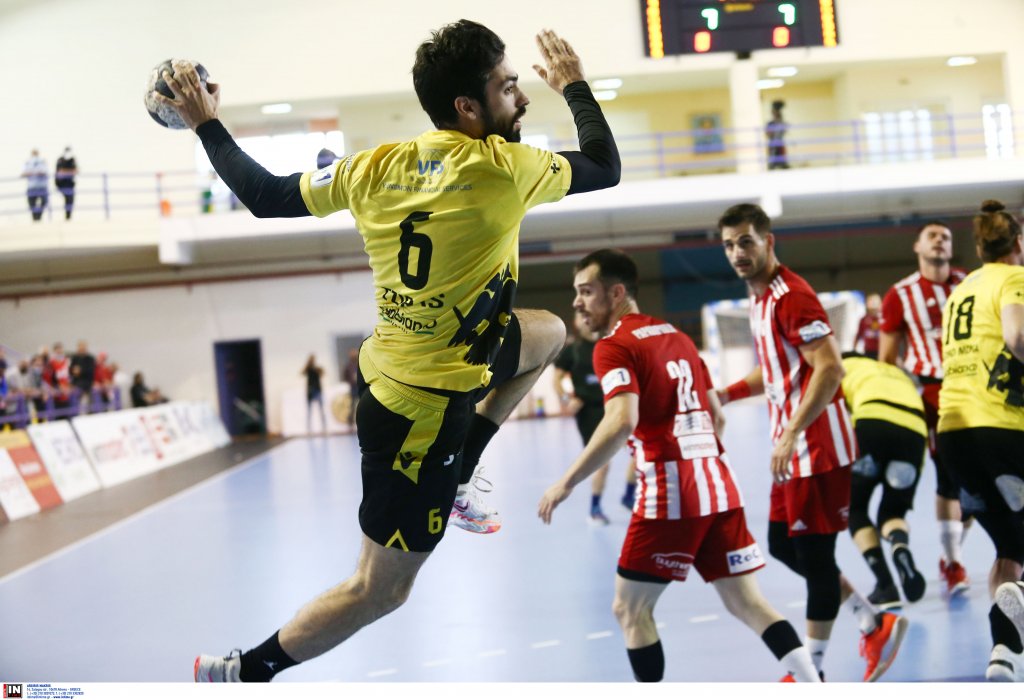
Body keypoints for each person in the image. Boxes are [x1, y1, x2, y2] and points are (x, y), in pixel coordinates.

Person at [160, 21, 620, 682]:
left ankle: (464, 468)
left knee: (547, 332)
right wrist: (573, 84)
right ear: (467, 107)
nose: (522, 98)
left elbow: (264, 196)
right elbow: (605, 165)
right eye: (508, 87)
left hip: (424, 364)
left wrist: (206, 124)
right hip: (417, 419)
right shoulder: (504, 169)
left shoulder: (374, 166)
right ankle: (249, 669)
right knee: (379, 590)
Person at [539, 249, 821, 682]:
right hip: (720, 487)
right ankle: (814, 682)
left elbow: (621, 421)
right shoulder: (678, 336)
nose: (577, 302)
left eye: (586, 291)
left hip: (670, 494)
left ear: (616, 293)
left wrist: (567, 481)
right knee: (748, 602)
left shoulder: (614, 346)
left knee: (630, 609)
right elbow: (717, 416)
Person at [716, 203, 906, 682]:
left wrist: (793, 432)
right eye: (729, 245)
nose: (737, 252)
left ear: (768, 242)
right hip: (793, 450)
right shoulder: (760, 299)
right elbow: (776, 369)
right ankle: (872, 621)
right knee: (784, 545)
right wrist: (726, 393)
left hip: (817, 448)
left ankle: (811, 674)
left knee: (816, 560)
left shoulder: (792, 297)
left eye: (746, 241)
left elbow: (830, 367)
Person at [936, 200, 1024, 681]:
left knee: (1010, 548)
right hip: (1002, 428)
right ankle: (1019, 601)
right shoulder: (1013, 278)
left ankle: (1003, 656)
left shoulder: (961, 290)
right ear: (1018, 243)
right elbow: (1018, 337)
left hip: (954, 434)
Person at [879, 220, 971, 597]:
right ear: (917, 246)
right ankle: (953, 562)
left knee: (986, 478)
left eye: (945, 237)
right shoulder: (900, 294)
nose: (939, 241)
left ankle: (955, 554)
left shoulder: (969, 284)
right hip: (933, 394)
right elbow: (887, 360)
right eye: (931, 236)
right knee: (948, 476)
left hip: (977, 389)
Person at [840, 352, 927, 609]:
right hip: (914, 430)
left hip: (871, 421)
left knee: (855, 509)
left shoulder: (842, 365)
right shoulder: (895, 372)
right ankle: (899, 543)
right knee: (892, 512)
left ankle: (886, 585)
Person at [552, 310, 635, 524]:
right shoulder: (572, 351)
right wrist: (566, 398)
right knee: (602, 461)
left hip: (613, 405)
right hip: (588, 412)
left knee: (639, 451)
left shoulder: (609, 345)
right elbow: (557, 380)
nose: (586, 318)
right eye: (581, 316)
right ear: (576, 322)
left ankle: (629, 495)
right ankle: (595, 508)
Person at [21, 149, 48, 221]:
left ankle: (39, 216)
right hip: (31, 186)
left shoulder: (42, 161)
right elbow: (23, 173)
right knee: (31, 204)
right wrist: (34, 173)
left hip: (41, 186)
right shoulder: (28, 162)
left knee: (44, 202)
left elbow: (44, 172)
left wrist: (33, 173)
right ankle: (35, 218)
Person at [302, 354, 327, 434]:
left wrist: (317, 369)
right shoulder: (308, 368)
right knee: (309, 411)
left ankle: (324, 428)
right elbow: (302, 372)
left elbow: (323, 373)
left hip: (317, 390)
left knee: (321, 410)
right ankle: (309, 429)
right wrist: (308, 365)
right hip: (310, 391)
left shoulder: (317, 369)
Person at [69, 340, 96, 413]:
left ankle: (90, 412)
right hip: (77, 383)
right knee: (76, 399)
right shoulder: (74, 358)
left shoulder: (90, 358)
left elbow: (91, 371)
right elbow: (71, 370)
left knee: (90, 401)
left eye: (83, 347)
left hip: (88, 383)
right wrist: (74, 372)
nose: (82, 349)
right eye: (80, 347)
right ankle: (76, 412)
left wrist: (80, 371)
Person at [853, 293, 882, 359]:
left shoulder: (883, 320)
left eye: (875, 301)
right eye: (871, 301)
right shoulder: (863, 320)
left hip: (880, 351)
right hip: (868, 351)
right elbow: (858, 335)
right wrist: (854, 350)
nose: (873, 304)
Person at [54, 147, 78, 220]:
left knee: (70, 200)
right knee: (67, 199)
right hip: (61, 184)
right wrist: (69, 172)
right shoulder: (60, 160)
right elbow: (60, 171)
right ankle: (67, 216)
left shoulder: (72, 160)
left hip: (70, 184)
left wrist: (66, 172)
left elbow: (76, 171)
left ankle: (68, 217)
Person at [765, 100, 789, 170]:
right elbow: (768, 133)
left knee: (781, 161)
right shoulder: (770, 123)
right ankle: (773, 165)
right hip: (773, 144)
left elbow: (784, 130)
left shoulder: (780, 122)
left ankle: (780, 164)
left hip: (779, 143)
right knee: (773, 162)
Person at [341, 347, 360, 429]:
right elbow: (345, 376)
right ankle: (350, 422)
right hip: (353, 387)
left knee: (361, 405)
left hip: (360, 387)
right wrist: (350, 381)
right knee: (352, 405)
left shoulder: (360, 364)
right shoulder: (348, 366)